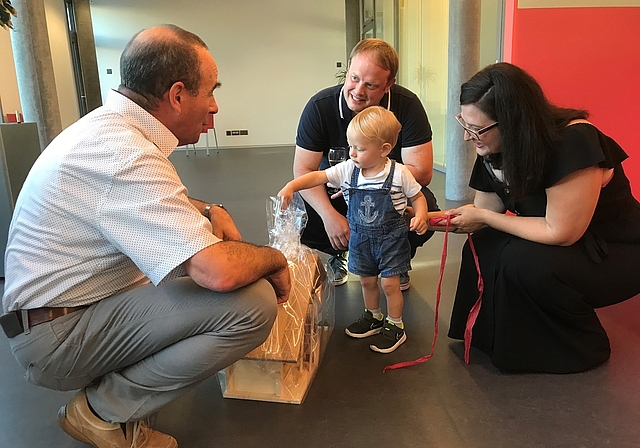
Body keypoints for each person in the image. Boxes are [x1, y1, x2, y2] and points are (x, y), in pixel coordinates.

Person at [1, 25, 291, 448]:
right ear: (176, 95)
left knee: (183, 265)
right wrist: (275, 258)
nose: (214, 106)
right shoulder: (125, 153)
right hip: (57, 340)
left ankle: (118, 407)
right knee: (251, 303)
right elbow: (219, 273)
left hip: (59, 317)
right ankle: (100, 412)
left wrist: (210, 210)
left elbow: (144, 201)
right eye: (210, 91)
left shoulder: (109, 130)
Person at [446, 62, 640, 374]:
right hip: (571, 244)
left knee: (525, 260)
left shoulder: (574, 141)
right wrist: (421, 219)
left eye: (477, 129)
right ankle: (496, 339)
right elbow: (485, 215)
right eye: (464, 124)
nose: (469, 138)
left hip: (616, 249)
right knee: (484, 244)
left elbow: (561, 232)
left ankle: (577, 347)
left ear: (512, 123)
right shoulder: (494, 147)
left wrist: (481, 215)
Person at [279, 106, 428, 353]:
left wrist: (421, 215)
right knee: (367, 282)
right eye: (351, 146)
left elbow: (418, 196)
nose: (352, 153)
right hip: (360, 240)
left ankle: (395, 325)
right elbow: (318, 177)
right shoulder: (349, 169)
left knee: (390, 285)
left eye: (360, 148)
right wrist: (291, 186)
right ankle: (374, 316)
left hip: (391, 240)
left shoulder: (399, 173)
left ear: (384, 149)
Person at [294, 38, 439, 289]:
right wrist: (330, 217)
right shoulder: (320, 107)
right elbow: (303, 170)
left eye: (371, 85)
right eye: (354, 78)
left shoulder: (407, 105)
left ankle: (396, 259)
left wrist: (366, 182)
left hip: (389, 194)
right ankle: (338, 252)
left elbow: (422, 173)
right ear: (348, 67)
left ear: (389, 84)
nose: (358, 91)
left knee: (427, 205)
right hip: (339, 194)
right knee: (300, 209)